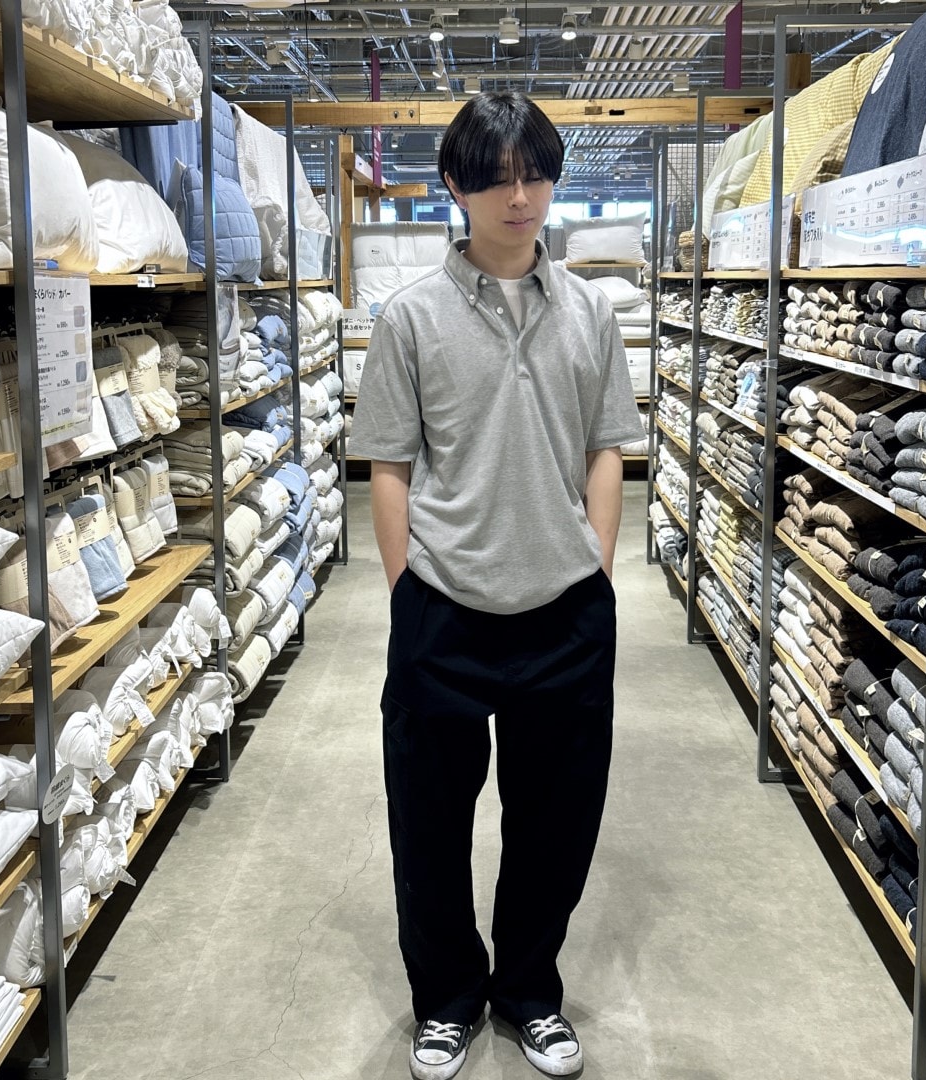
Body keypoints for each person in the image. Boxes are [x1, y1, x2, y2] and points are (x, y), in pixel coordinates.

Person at [349, 90, 643, 1080]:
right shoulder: (411, 317)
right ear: (456, 186)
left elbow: (607, 447)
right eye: (498, 178)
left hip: (565, 609)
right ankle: (445, 1000)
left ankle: (528, 992)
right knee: (427, 825)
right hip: (443, 607)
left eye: (536, 175)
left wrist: (597, 569)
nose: (521, 198)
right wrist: (406, 590)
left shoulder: (591, 314)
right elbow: (389, 463)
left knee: (556, 823)